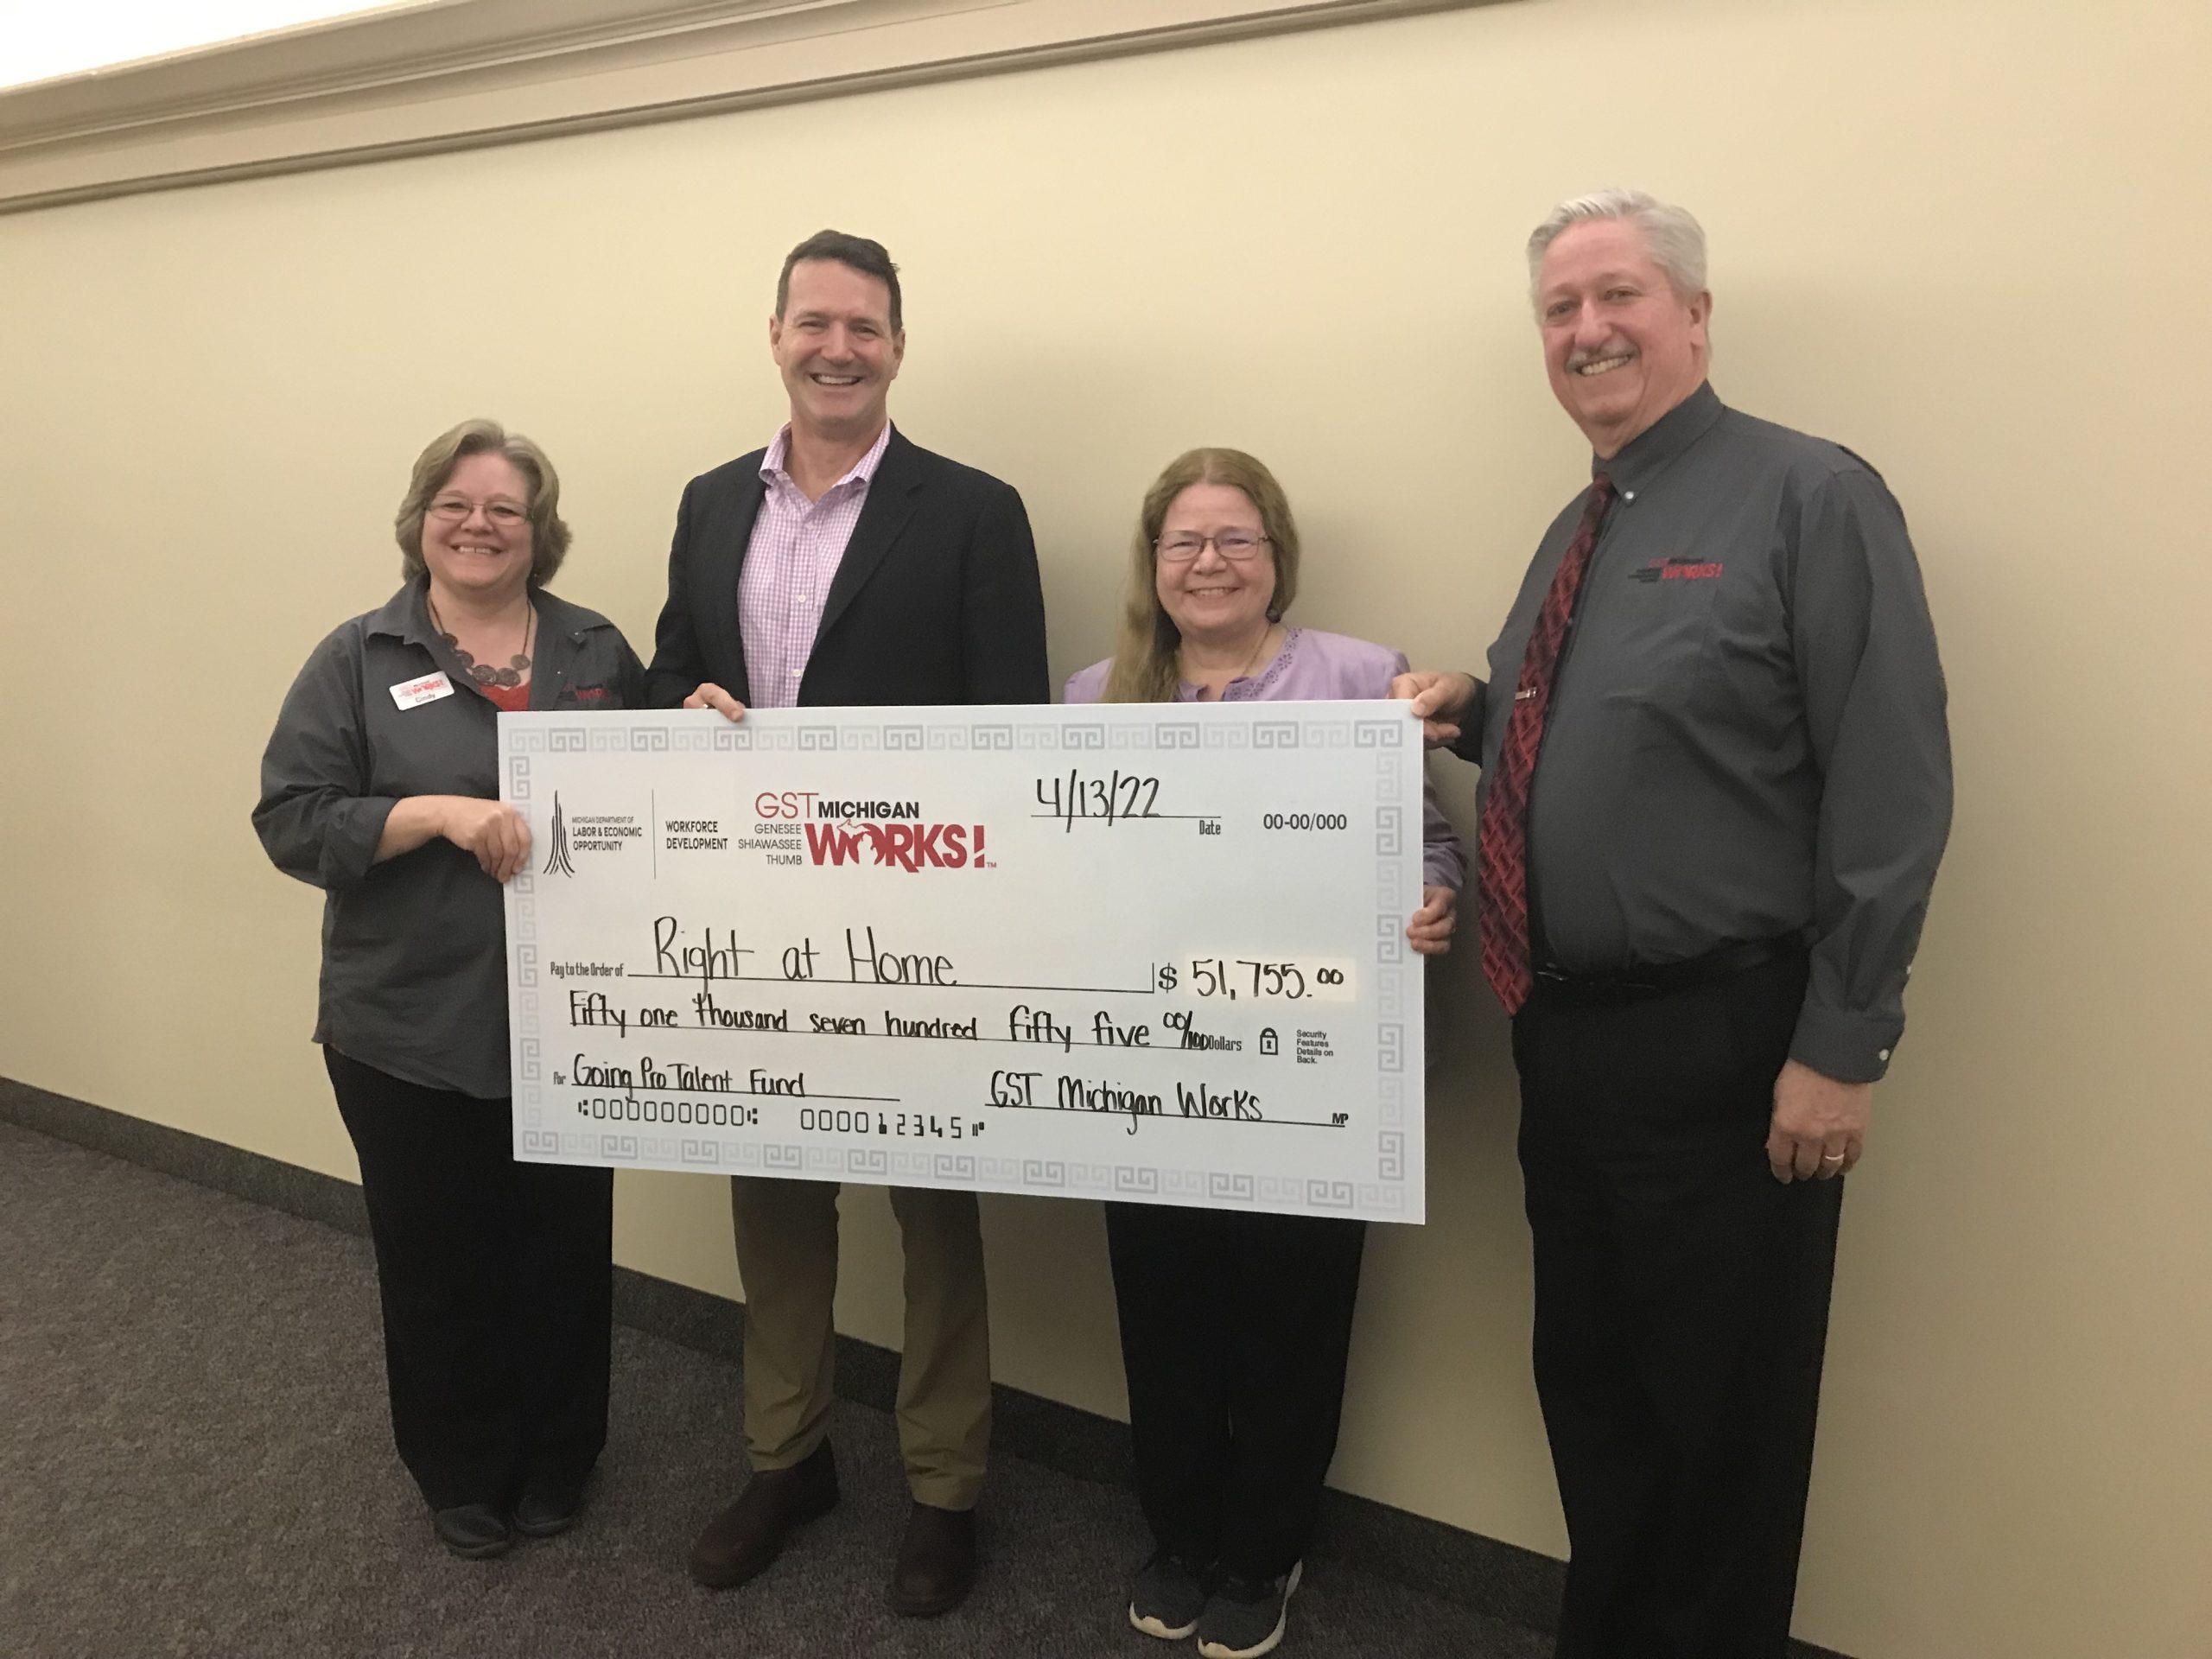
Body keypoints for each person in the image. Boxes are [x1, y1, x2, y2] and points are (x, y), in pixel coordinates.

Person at [1395, 189, 1952, 1658]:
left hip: (1731, 1047)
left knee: (1724, 1426)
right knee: (1596, 1394)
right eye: (1560, 309)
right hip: (1565, 1039)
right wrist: (1471, 709)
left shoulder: (1811, 497)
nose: (1587, 330)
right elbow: (1599, 736)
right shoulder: (1576, 528)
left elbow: (1892, 788)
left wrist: (1842, 1044)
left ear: (1695, 316)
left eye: (1618, 296)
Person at [647, 229, 1048, 1616]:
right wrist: (679, 707)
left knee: (935, 1210)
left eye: (863, 327)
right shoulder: (710, 502)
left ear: (896, 347)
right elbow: (673, 673)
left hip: (917, 926)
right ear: (776, 337)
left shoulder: (974, 510)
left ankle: (945, 1484)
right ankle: (788, 1456)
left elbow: (1011, 733)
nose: (837, 347)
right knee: (773, 1196)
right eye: (814, 322)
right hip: (751, 917)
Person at [1065, 448, 1464, 1659]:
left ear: (1276, 554)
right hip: (1147, 1065)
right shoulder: (1094, 696)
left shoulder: (1363, 676)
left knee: (1293, 1313)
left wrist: (1432, 898)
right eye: (1184, 541)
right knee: (1163, 1306)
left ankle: (1264, 1548)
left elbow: (1426, 839)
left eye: (1236, 538)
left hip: (1310, 1067)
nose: (1210, 562)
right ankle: (1181, 1533)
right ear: (1153, 563)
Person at [254, 419, 645, 1560]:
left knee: (562, 1249)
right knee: (439, 1255)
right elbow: (291, 820)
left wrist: (709, 729)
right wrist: (432, 814)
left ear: (539, 531)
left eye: (504, 509)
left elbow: (659, 792)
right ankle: (462, 1467)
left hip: (577, 1018)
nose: (478, 525)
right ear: (421, 521)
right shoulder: (358, 656)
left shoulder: (596, 650)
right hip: (409, 1024)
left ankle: (561, 1454)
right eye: (455, 505)